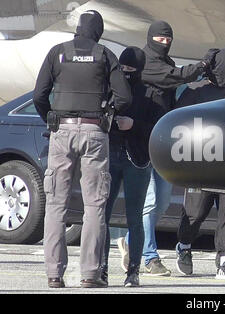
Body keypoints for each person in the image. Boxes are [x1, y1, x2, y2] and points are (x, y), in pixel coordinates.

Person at [33, 10, 131, 288]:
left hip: (61, 132)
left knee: (55, 204)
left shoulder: (57, 52)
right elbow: (124, 97)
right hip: (94, 131)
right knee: (95, 206)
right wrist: (107, 116)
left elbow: (40, 94)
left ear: (77, 29)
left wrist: (51, 119)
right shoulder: (104, 54)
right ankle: (90, 274)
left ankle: (54, 274)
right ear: (98, 31)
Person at [116, 20, 218, 276]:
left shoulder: (168, 63)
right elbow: (176, 77)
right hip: (140, 140)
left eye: (167, 39)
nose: (163, 43)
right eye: (159, 39)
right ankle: (149, 256)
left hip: (161, 139)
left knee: (160, 201)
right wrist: (202, 66)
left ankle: (130, 240)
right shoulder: (146, 62)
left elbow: (175, 92)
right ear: (150, 38)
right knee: (150, 200)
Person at [174, 48, 225, 280]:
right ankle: (184, 246)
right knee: (195, 213)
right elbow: (178, 120)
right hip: (201, 162)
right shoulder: (196, 91)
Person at [101, 46, 165, 287]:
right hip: (111, 155)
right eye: (123, 68)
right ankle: (103, 267)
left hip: (137, 160)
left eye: (131, 69)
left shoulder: (151, 94)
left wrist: (134, 125)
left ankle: (134, 271)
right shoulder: (112, 89)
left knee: (135, 217)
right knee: (102, 216)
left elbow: (159, 128)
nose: (126, 73)